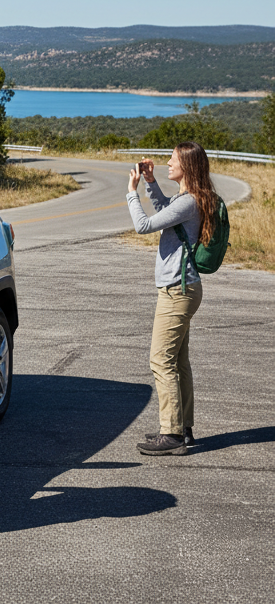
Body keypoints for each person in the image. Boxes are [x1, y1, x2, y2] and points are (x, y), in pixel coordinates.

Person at [127, 141, 219, 456]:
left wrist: (132, 192)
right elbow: (166, 209)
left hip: (177, 290)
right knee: (178, 361)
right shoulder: (188, 199)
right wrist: (151, 182)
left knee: (161, 360)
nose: (168, 163)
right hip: (184, 287)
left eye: (173, 159)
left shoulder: (188, 201)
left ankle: (172, 434)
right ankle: (183, 427)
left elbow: (143, 225)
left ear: (187, 166)